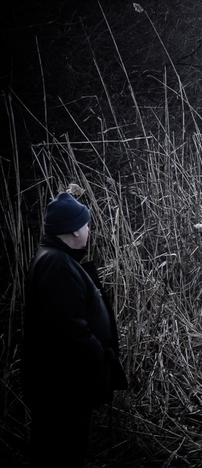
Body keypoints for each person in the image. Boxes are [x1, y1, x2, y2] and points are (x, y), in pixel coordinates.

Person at [23, 191, 127, 468]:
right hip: (64, 388)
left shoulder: (56, 258)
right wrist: (99, 357)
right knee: (63, 453)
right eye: (86, 223)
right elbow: (69, 329)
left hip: (61, 384)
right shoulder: (56, 263)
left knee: (58, 450)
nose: (89, 229)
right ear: (73, 229)